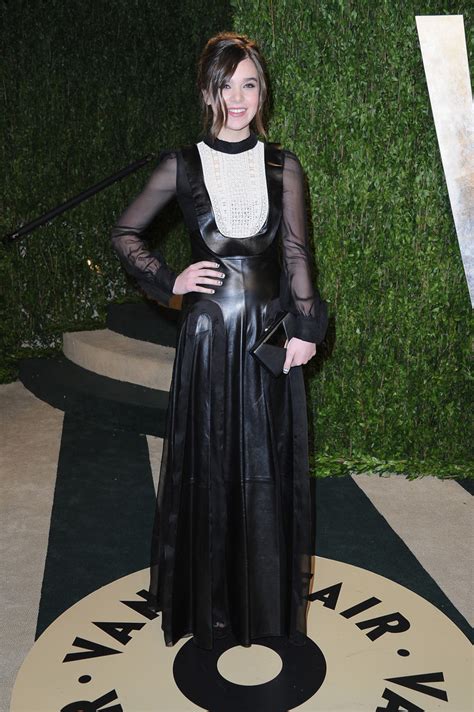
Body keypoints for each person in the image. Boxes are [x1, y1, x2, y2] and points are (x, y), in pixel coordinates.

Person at [110, 31, 328, 651]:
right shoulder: (181, 163)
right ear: (209, 91)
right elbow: (126, 233)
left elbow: (295, 252)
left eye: (249, 84)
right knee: (208, 464)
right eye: (226, 85)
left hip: (268, 335)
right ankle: (209, 603)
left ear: (262, 92)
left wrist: (306, 328)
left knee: (266, 465)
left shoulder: (284, 165)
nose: (238, 98)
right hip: (209, 336)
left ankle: (262, 604)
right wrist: (169, 280)